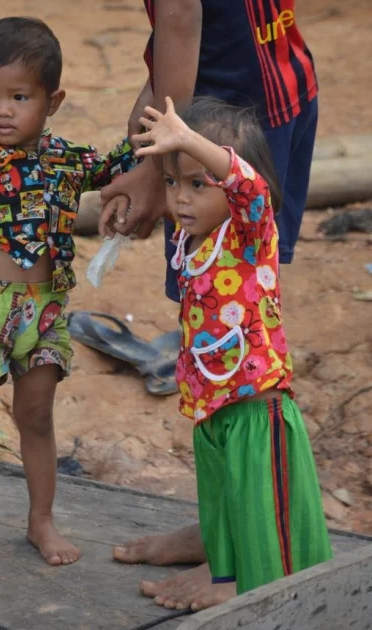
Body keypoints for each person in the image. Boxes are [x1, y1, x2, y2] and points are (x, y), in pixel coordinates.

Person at [102, 0, 319, 608]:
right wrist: (146, 134)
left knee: (234, 356)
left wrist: (163, 160)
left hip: (214, 132)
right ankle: (220, 524)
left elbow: (183, 13)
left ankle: (243, 565)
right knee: (220, 329)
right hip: (282, 95)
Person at [0, 17, 134, 576]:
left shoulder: (67, 159)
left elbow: (116, 166)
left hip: (44, 310)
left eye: (20, 97)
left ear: (52, 101)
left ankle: (40, 519)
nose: (3, 110)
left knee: (36, 416)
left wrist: (152, 133)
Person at [129, 94, 331, 603]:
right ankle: (223, 572)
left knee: (263, 506)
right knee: (224, 501)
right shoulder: (192, 240)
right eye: (172, 182)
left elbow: (251, 187)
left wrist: (189, 140)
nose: (181, 199)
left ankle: (251, 586)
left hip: (257, 408)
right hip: (212, 406)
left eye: (199, 184)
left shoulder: (250, 232)